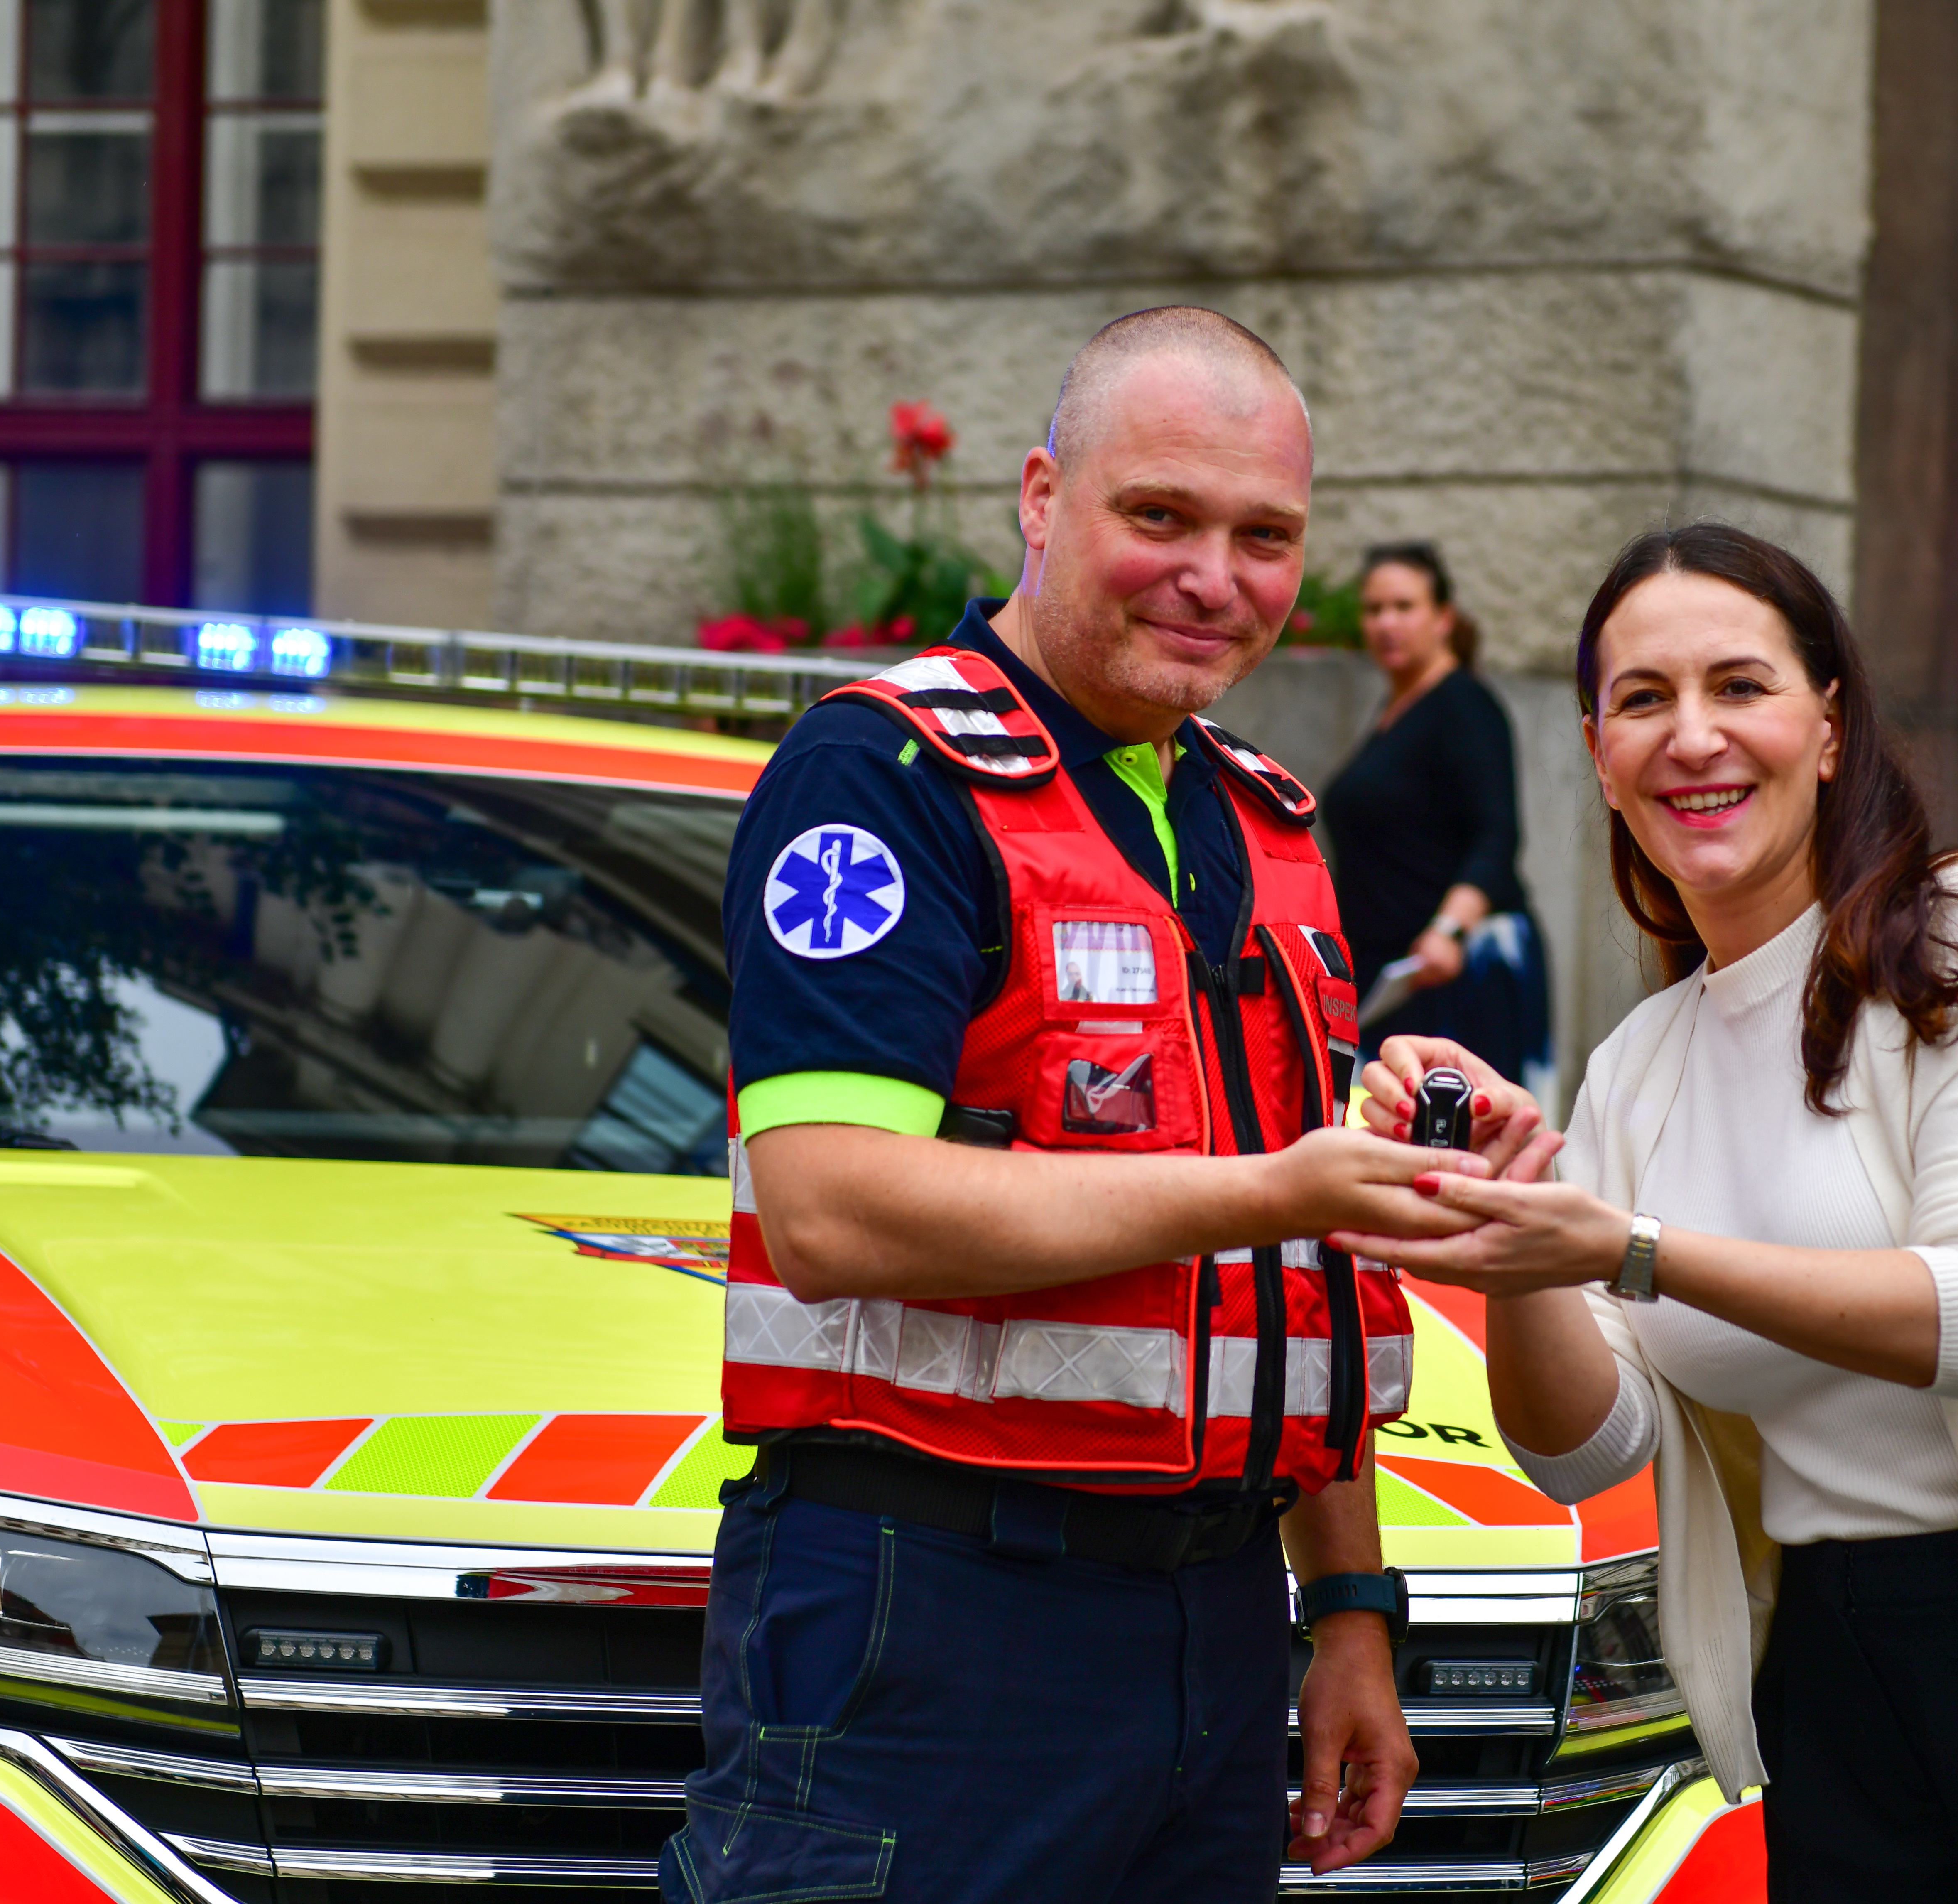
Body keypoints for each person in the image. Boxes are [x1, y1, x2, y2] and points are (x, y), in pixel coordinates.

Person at [1337, 524, 1958, 1903]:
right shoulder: (1636, 1068)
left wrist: (1625, 1247)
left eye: (1740, 686)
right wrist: (1517, 1240)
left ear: (1829, 725)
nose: (1695, 737)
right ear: (1597, 750)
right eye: (1643, 700)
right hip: (1834, 1669)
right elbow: (1586, 1449)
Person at [668, 309, 1502, 1904]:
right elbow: (835, 1207)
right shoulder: (883, 776)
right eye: (1162, 517)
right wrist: (1275, 1189)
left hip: (1213, 1618)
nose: (1218, 577)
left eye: (1268, 538)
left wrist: (1348, 1616)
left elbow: (1295, 1292)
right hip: (928, 1607)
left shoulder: (1270, 820)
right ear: (1043, 500)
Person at [1318, 542, 1551, 1091]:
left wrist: (1448, 931)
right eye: (1374, 610)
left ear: (1443, 618)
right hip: (1397, 978)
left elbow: (1498, 836)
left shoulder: (1465, 705)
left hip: (1458, 969)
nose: (1386, 623)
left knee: (1463, 1151)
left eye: (1404, 607)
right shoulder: (1396, 709)